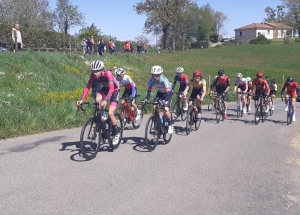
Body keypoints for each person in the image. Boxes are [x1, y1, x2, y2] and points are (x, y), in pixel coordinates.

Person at [76, 60, 120, 137]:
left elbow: (112, 89)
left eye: (97, 71)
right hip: (105, 89)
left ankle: (116, 133)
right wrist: (82, 99)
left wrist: (106, 100)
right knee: (97, 100)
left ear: (102, 70)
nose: (94, 73)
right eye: (93, 71)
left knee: (110, 113)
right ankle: (102, 121)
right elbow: (87, 87)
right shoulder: (92, 75)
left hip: (114, 90)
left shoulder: (108, 74)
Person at [142, 65, 174, 134]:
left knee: (165, 109)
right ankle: (156, 125)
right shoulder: (151, 81)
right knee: (154, 107)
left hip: (168, 94)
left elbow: (168, 94)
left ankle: (170, 124)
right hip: (159, 93)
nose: (154, 77)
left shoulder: (164, 80)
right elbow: (149, 93)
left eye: (156, 75)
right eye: (153, 75)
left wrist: (163, 101)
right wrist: (145, 100)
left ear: (160, 75)